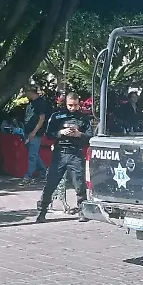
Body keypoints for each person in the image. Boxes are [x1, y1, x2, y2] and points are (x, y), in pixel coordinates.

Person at [37, 93, 93, 223]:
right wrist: (60, 132)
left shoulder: (83, 118)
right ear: (65, 104)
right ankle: (41, 212)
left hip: (75, 153)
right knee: (51, 183)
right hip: (59, 153)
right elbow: (48, 134)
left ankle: (82, 212)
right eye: (70, 105)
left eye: (75, 105)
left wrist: (79, 134)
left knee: (79, 184)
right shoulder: (57, 116)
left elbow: (90, 137)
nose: (73, 108)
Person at [20, 87, 50, 185]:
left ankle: (28, 176)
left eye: (26, 91)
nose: (25, 94)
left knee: (32, 155)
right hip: (28, 131)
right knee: (34, 154)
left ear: (31, 92)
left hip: (35, 133)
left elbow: (42, 118)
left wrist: (34, 132)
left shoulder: (40, 103)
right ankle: (43, 172)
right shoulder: (31, 103)